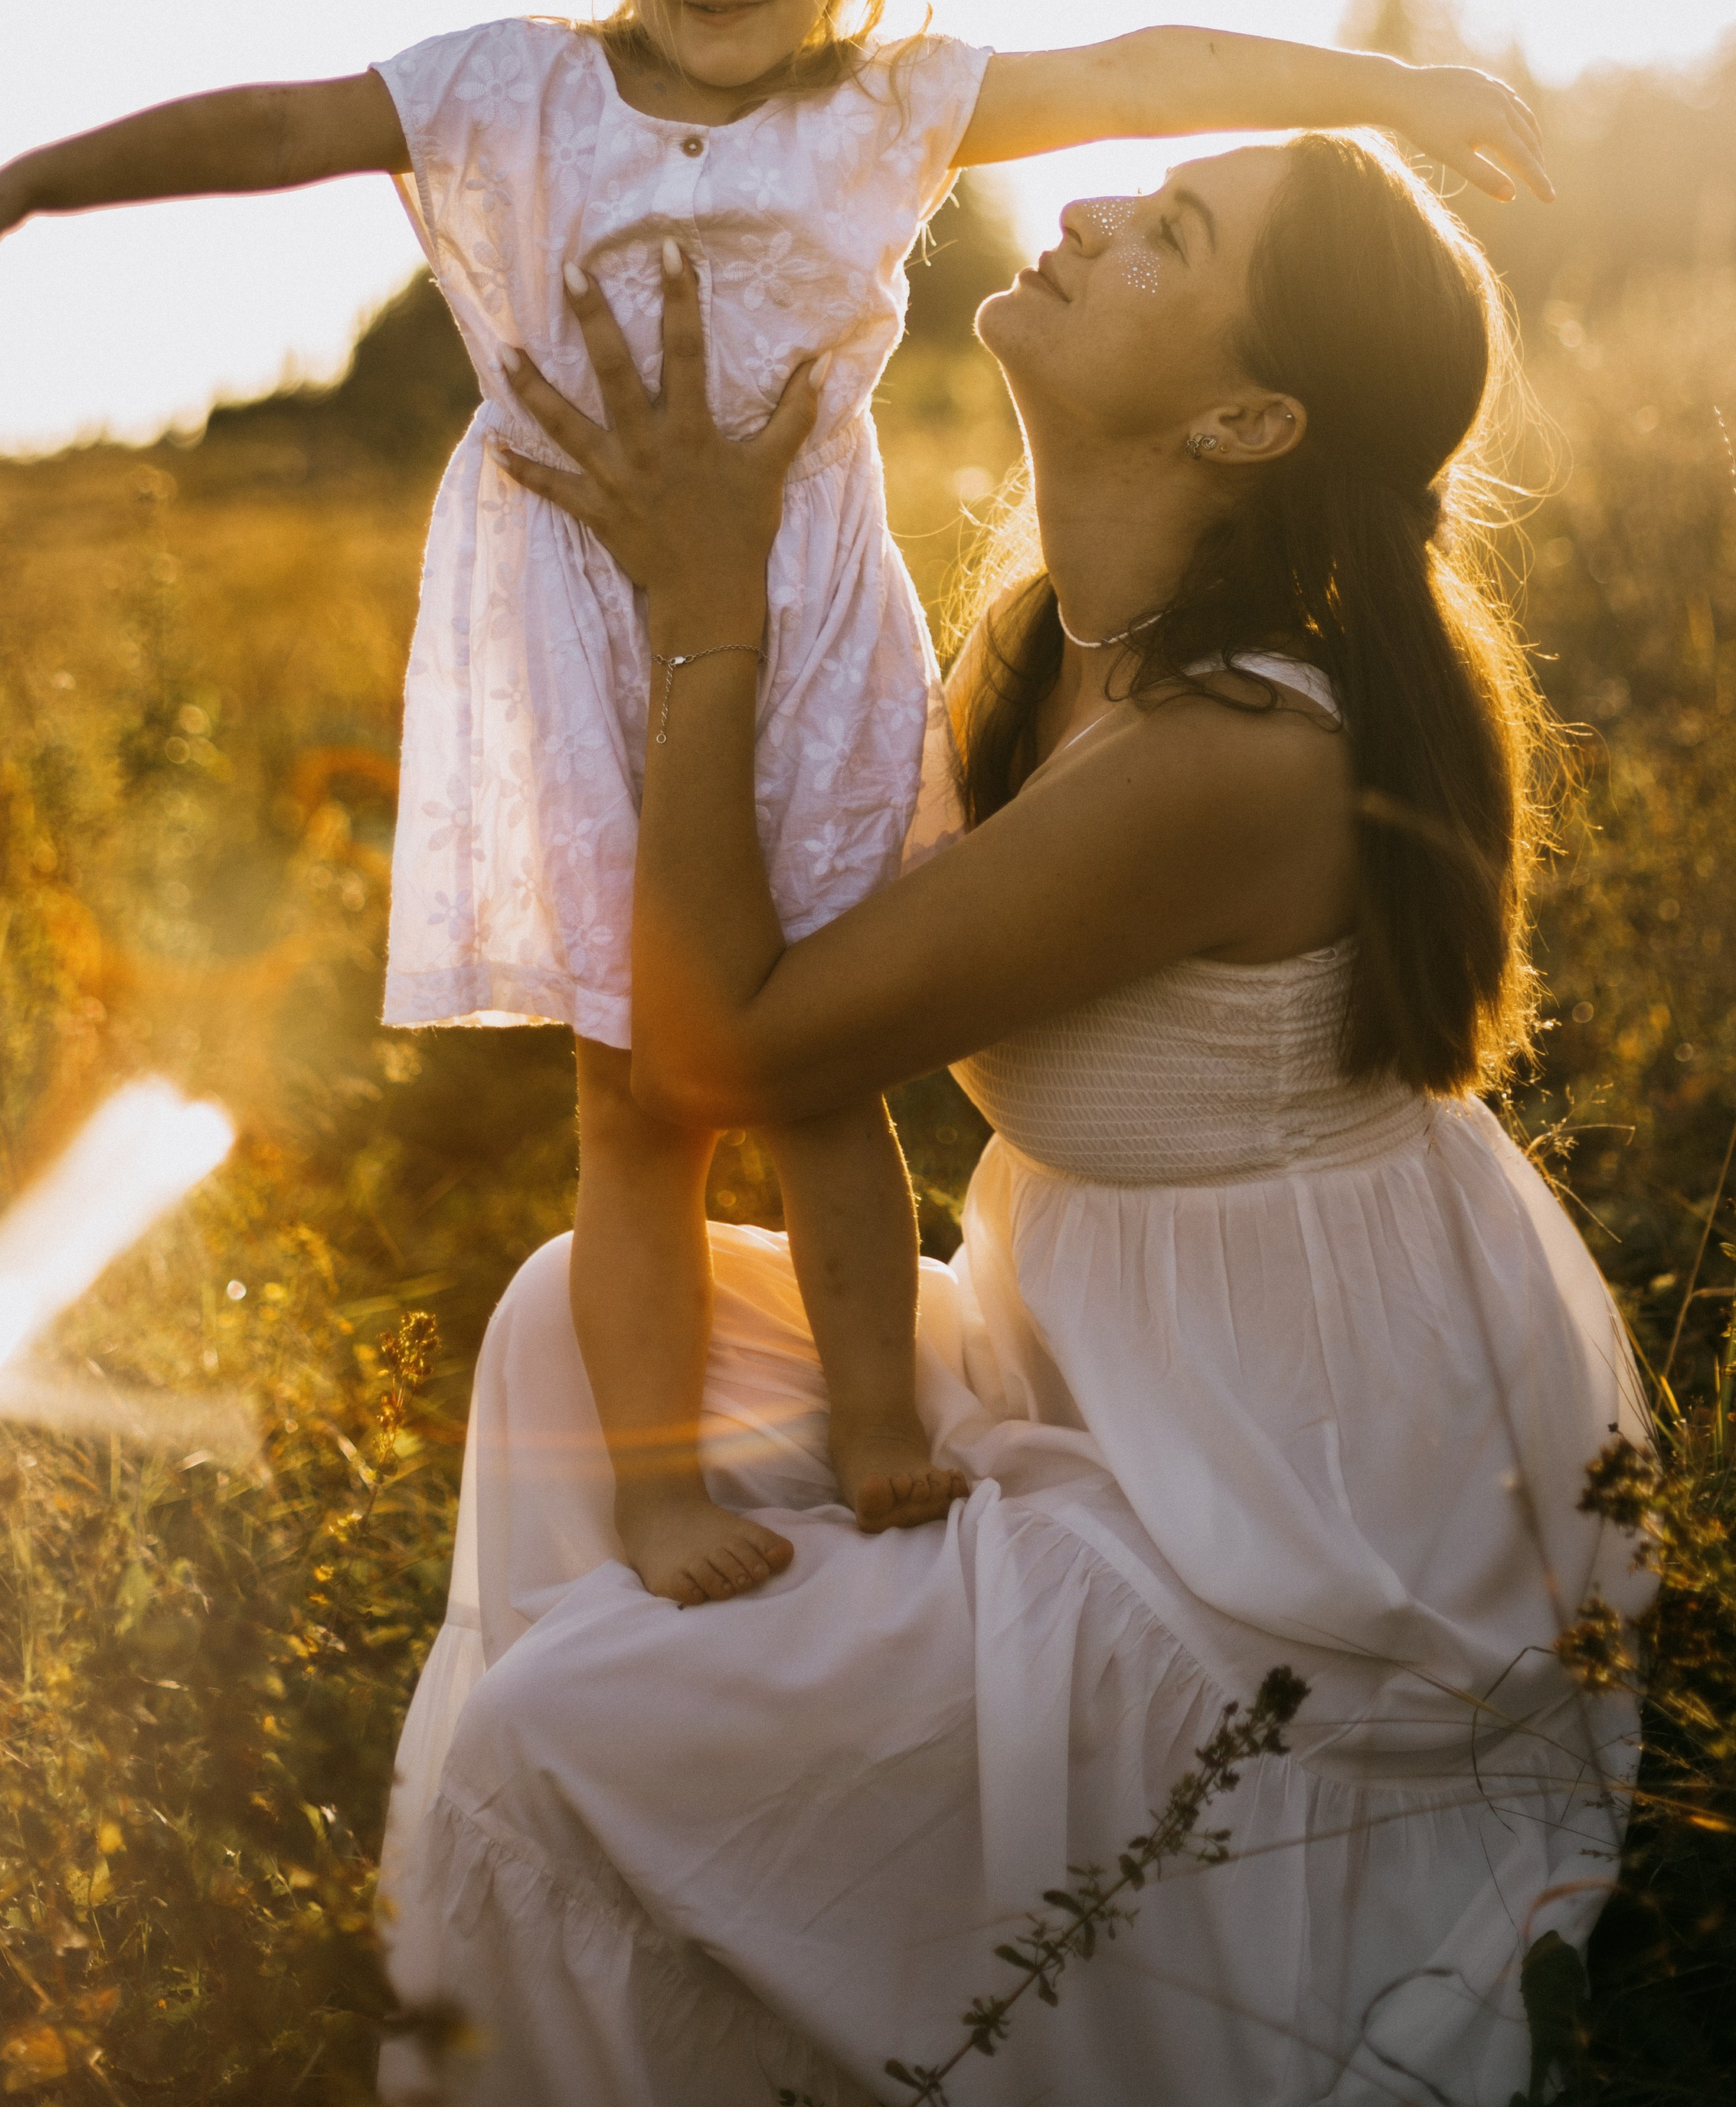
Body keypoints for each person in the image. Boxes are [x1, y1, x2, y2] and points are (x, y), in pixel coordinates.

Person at [0, 0, 1553, 1615]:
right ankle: (651, 1492)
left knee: (823, 1064)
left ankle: (880, 1427)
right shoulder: (513, 91)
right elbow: (269, 123)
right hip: (583, 623)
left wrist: (1389, 94)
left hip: (795, 622)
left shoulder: (886, 107)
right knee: (633, 1099)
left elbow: (1147, 63)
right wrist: (17, 187)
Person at [374, 133, 1649, 2107]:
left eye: (1168, 235)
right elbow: (731, 999)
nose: (1076, 216)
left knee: (560, 1730)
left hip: (1283, 1509)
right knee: (572, 1328)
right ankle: (725, 1949)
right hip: (1104, 1368)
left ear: (1247, 413)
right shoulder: (1040, 646)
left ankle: (683, 1856)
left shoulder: (1234, 754)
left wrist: (706, 603)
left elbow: (739, 1051)